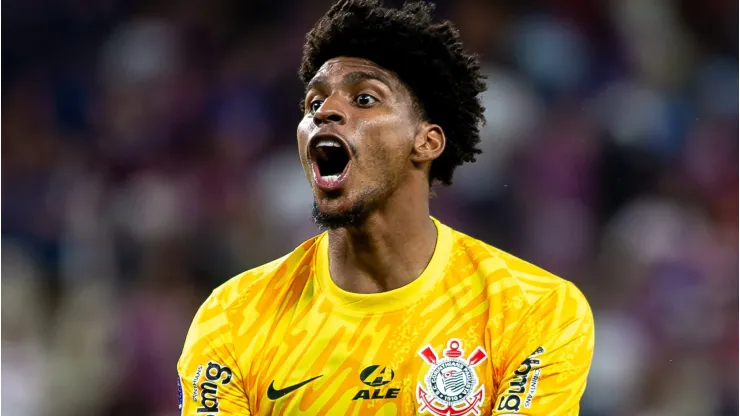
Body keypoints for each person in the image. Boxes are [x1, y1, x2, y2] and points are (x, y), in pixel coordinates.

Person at [177, 1, 594, 415]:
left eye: (364, 98)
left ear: (426, 141)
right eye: (313, 104)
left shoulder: (533, 309)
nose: (327, 112)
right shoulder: (233, 318)